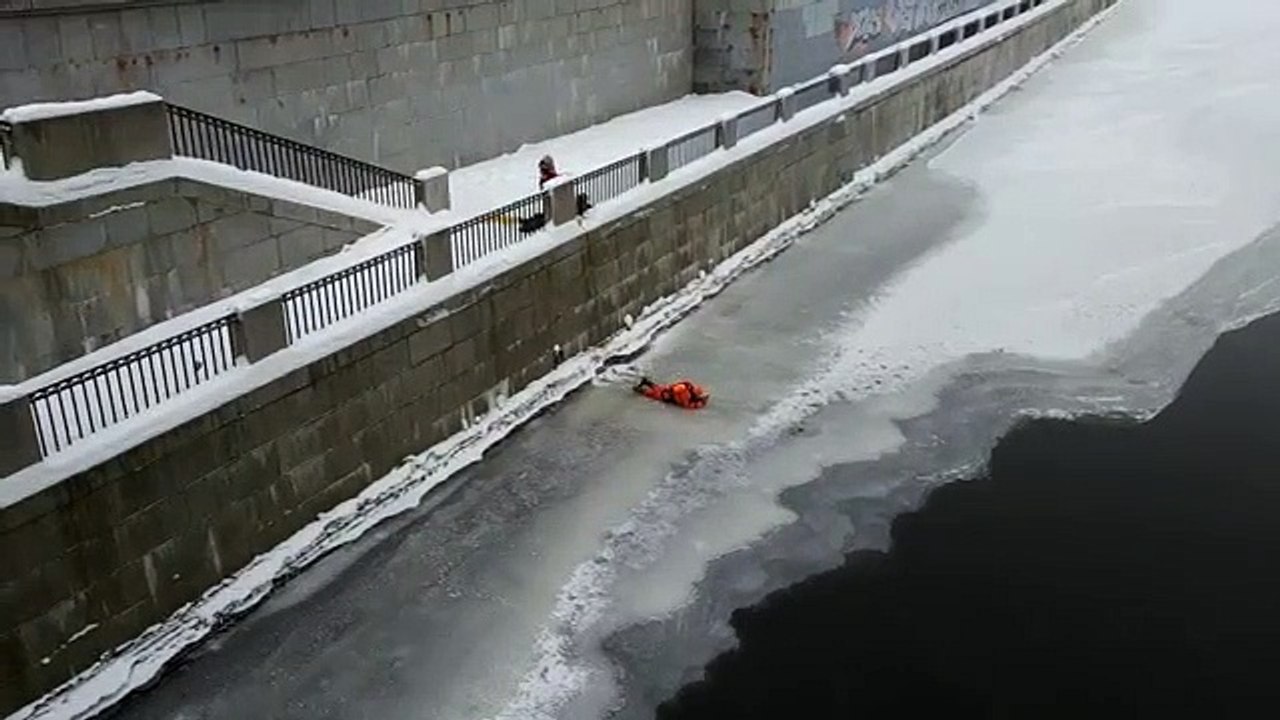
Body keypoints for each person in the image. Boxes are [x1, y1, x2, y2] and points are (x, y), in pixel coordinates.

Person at [634, 377, 710, 410]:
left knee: (657, 388)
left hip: (668, 391)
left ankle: (646, 382)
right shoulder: (686, 395)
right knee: (649, 393)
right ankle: (637, 389)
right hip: (667, 396)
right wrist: (701, 403)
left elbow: (681, 384)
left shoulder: (689, 386)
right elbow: (686, 406)